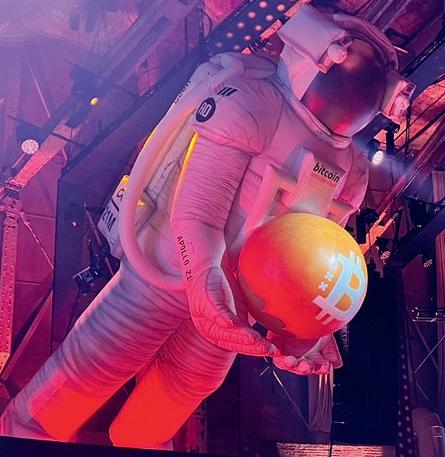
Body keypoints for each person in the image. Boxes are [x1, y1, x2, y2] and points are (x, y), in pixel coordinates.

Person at [0, 4, 413, 450]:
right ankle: (25, 435)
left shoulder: (351, 168)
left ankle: (139, 443)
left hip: (240, 294)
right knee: (100, 360)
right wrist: (203, 276)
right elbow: (199, 208)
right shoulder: (255, 102)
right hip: (170, 266)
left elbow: (317, 251)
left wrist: (304, 330)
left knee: (188, 384)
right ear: (315, 53)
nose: (359, 86)